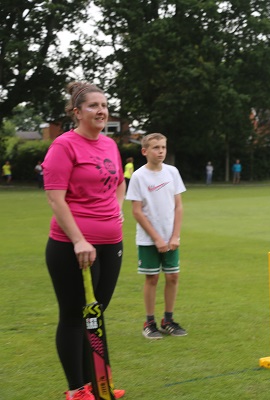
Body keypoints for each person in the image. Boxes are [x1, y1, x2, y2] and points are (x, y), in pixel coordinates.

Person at [42, 81, 126, 400]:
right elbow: (55, 198)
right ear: (77, 112)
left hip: (110, 242)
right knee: (74, 315)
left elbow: (119, 182)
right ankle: (77, 389)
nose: (101, 110)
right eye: (93, 106)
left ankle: (99, 386)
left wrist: (116, 208)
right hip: (72, 246)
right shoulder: (64, 146)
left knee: (96, 313)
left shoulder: (109, 145)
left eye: (104, 105)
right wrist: (79, 240)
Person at [126, 132, 188, 340]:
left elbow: (178, 206)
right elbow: (136, 211)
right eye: (155, 148)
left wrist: (175, 236)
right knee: (152, 278)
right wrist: (157, 239)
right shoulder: (138, 176)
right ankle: (149, 322)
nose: (160, 151)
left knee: (173, 276)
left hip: (171, 238)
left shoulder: (172, 172)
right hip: (148, 239)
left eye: (163, 147)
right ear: (145, 151)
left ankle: (168, 320)